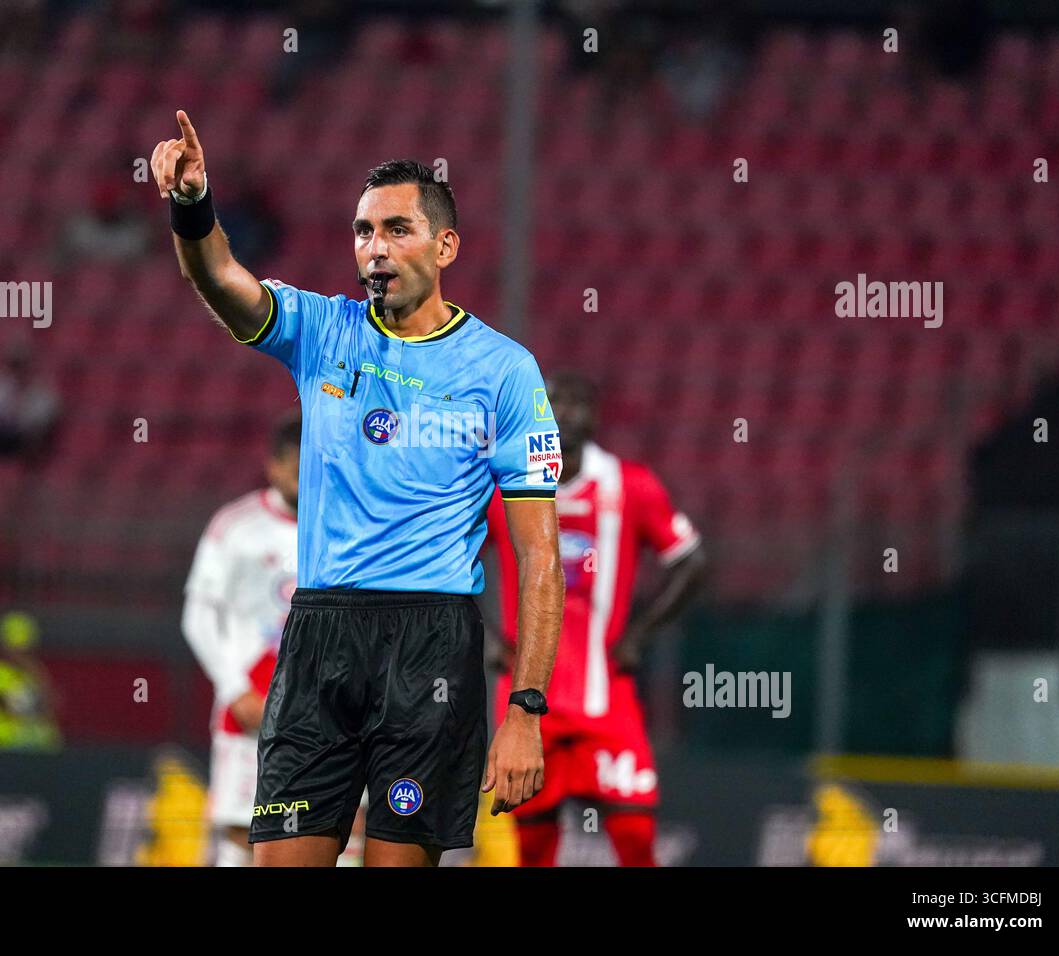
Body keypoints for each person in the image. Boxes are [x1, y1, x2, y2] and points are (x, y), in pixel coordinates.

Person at [150, 112, 564, 867]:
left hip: (430, 648)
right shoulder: (321, 330)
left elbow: (539, 558)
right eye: (362, 231)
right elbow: (217, 275)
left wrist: (526, 710)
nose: (375, 247)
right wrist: (193, 202)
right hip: (319, 640)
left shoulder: (505, 373)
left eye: (397, 229)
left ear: (445, 247)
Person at [486, 371, 707, 866]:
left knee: (635, 836)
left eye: (578, 403)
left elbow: (691, 562)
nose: (565, 413)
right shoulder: (504, 484)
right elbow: (450, 559)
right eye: (554, 401)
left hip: (605, 698)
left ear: (595, 416)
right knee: (534, 847)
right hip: (527, 703)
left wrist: (639, 635)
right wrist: (483, 635)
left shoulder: (630, 486)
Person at [180, 413, 367, 866]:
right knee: (241, 830)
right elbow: (199, 614)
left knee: (343, 828)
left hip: (330, 704)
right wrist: (235, 689)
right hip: (253, 701)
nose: (310, 476)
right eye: (299, 467)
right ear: (275, 467)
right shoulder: (236, 526)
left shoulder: (353, 526)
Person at [0, 611, 63, 752]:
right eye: (15, 647)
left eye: (24, 648)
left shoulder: (35, 671)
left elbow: (52, 704)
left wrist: (38, 675)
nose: (20, 653)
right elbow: (18, 706)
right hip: (6, 744)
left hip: (38, 745)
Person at [0, 344, 60, 462]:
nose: (19, 370)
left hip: (26, 437)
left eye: (22, 365)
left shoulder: (41, 391)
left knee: (34, 442)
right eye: (15, 365)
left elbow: (45, 416)